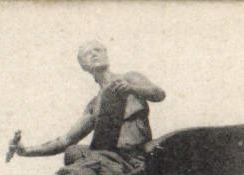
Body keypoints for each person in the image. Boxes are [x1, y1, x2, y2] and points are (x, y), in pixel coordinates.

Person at [11, 42, 165, 162]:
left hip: (138, 152)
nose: (93, 54)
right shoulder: (94, 105)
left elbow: (159, 94)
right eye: (87, 54)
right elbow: (67, 140)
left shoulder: (130, 78)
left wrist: (132, 88)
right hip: (112, 156)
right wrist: (26, 151)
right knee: (73, 152)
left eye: (97, 50)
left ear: (106, 54)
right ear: (83, 65)